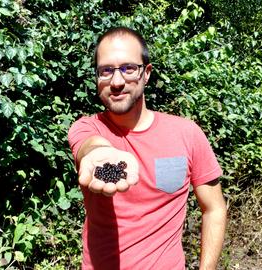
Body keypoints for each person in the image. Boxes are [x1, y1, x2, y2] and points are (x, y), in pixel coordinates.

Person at [67, 27, 227, 270]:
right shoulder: (87, 128)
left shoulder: (186, 133)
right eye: (106, 71)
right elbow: (89, 146)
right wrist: (98, 152)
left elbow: (214, 208)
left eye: (128, 68)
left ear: (146, 73)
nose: (117, 81)